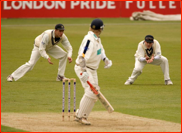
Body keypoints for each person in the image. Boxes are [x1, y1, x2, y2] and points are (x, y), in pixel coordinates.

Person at [74, 19, 112, 125]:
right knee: (91, 91)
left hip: (92, 70)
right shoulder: (89, 40)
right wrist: (84, 71)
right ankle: (80, 116)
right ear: (100, 29)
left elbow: (101, 50)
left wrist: (106, 60)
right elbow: (82, 57)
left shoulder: (96, 39)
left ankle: (81, 113)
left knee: (94, 94)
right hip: (84, 68)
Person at [7, 24, 73, 82]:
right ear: (55, 30)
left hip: (50, 46)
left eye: (62, 31)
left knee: (64, 55)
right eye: (60, 31)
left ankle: (60, 76)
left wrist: (69, 56)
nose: (61, 33)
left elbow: (69, 48)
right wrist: (47, 57)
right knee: (31, 64)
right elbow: (41, 49)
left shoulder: (63, 37)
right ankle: (12, 76)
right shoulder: (47, 35)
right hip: (38, 46)